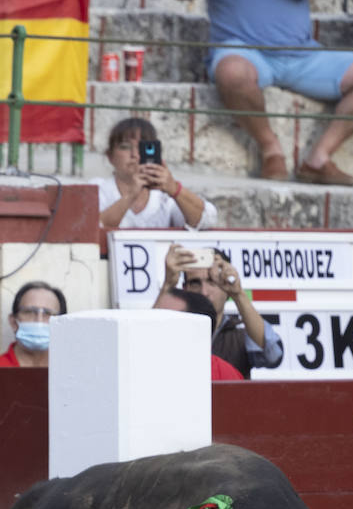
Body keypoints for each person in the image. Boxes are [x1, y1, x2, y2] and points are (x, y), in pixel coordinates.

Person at [172, 0, 353, 186]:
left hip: (301, 55)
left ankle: (318, 159)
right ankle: (271, 149)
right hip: (244, 53)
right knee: (231, 73)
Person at [162, 243, 283, 378]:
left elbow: (273, 355)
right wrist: (168, 284)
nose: (204, 292)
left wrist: (238, 293)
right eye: (195, 283)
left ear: (226, 288)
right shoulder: (173, 330)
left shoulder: (240, 334)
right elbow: (142, 347)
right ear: (184, 288)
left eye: (212, 282)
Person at [95, 118, 218, 230]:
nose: (134, 154)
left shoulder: (164, 197)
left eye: (142, 147)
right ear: (110, 156)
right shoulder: (97, 189)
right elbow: (92, 228)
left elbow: (206, 220)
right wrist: (130, 196)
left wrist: (175, 189)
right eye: (125, 147)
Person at [154, 286, 246, 380]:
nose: (153, 327)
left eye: (163, 320)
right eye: (153, 317)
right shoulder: (142, 367)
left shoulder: (225, 374)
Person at [0, 281, 66, 368]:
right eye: (29, 312)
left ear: (62, 324)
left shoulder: (71, 369)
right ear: (13, 322)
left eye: (48, 313)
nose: (39, 321)